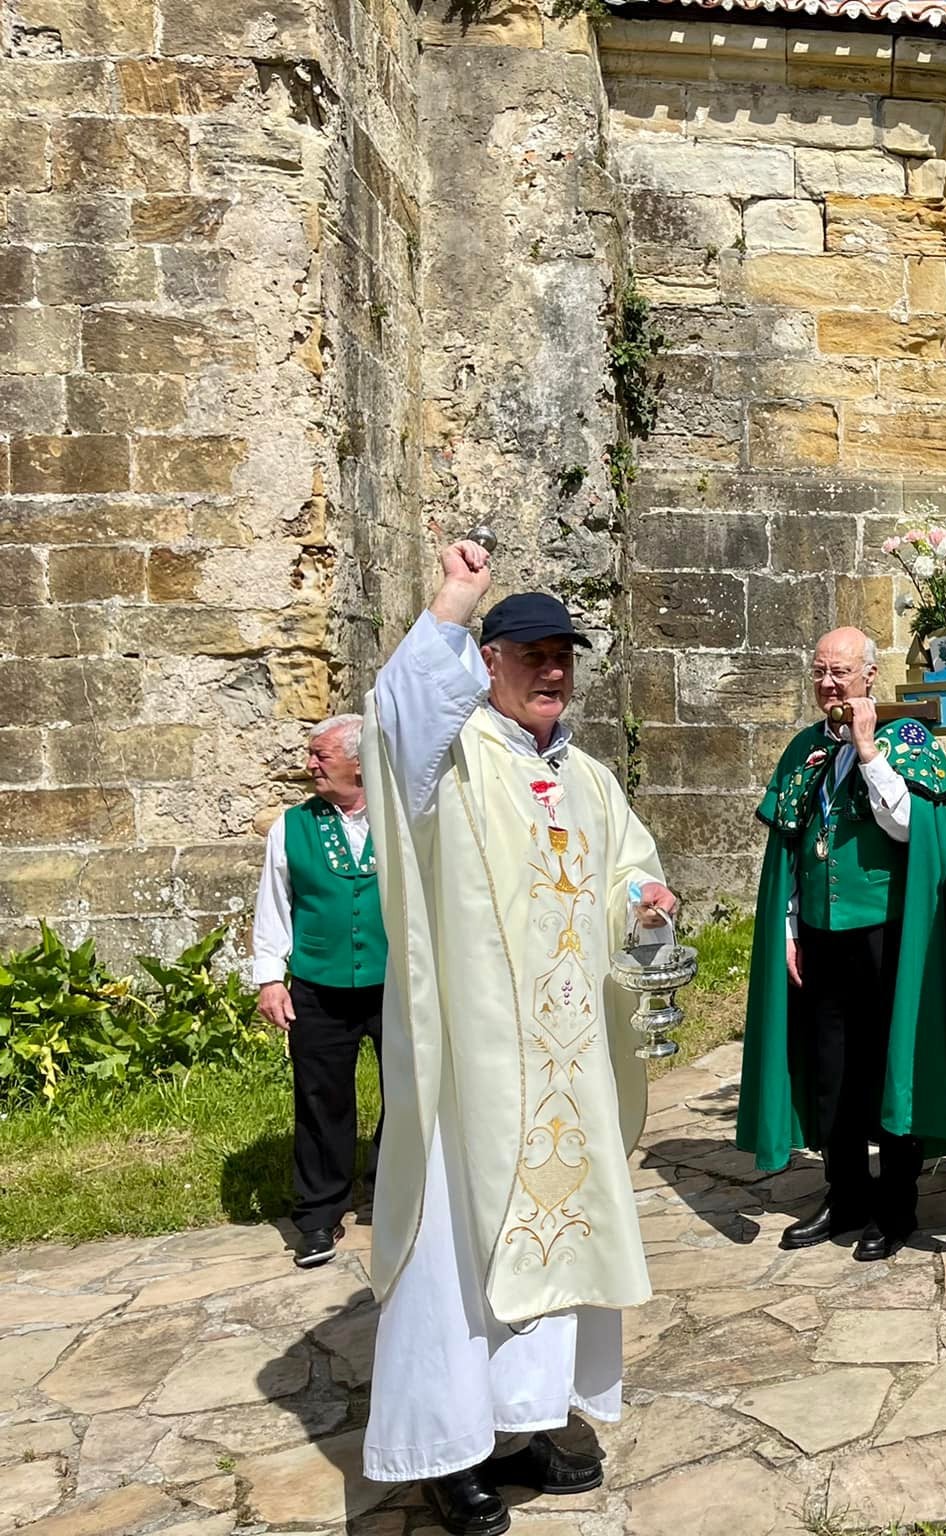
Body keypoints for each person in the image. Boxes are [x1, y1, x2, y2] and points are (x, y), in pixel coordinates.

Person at [358, 541, 677, 1536]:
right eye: (530, 652)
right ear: (486, 663)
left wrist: (648, 904)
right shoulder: (446, 764)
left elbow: (630, 875)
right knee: (457, 1259)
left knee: (559, 1254)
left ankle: (525, 1422)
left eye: (563, 655)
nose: (551, 669)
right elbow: (397, 713)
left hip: (568, 1070)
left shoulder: (584, 777)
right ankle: (446, 1451)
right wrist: (453, 602)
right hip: (474, 1072)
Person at [736, 628, 946, 1261]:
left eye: (840, 672)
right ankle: (844, 1193)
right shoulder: (804, 747)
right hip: (819, 932)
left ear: (870, 675)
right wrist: (789, 928)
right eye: (819, 671)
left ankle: (895, 1205)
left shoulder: (907, 740)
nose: (828, 683)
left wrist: (870, 752)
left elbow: (907, 828)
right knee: (830, 1067)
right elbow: (792, 849)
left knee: (886, 1063)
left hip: (885, 930)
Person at [252, 714, 386, 1270]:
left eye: (321, 756)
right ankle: (317, 1214)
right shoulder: (291, 827)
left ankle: (393, 1189)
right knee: (319, 1099)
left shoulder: (402, 818)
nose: (310, 765)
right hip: (318, 985)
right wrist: (269, 977)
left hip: (393, 985)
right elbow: (274, 905)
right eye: (312, 755)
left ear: (360, 762)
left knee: (410, 1089)